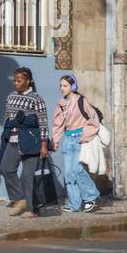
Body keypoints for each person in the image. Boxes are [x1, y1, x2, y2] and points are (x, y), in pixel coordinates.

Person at [0, 66, 50, 219]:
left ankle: (31, 209)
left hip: (31, 142)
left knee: (27, 176)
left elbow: (43, 123)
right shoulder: (10, 96)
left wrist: (44, 144)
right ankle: (20, 199)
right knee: (5, 168)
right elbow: (6, 118)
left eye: (19, 80)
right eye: (14, 80)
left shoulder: (37, 99)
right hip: (13, 140)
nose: (16, 83)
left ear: (29, 81)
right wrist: (4, 137)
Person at [52, 73, 102, 213]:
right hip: (68, 141)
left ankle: (91, 196)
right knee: (69, 173)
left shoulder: (81, 101)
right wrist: (55, 141)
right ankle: (74, 204)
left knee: (77, 170)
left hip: (80, 139)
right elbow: (58, 125)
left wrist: (84, 136)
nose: (62, 88)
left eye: (65, 85)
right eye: (61, 85)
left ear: (73, 86)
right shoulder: (61, 104)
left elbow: (94, 119)